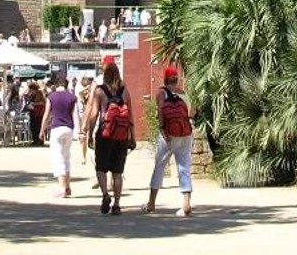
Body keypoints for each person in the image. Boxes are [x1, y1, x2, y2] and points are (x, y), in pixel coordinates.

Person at [83, 58, 135, 215]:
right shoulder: (124, 92)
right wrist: (132, 136)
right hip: (121, 136)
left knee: (101, 168)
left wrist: (90, 133)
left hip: (105, 134)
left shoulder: (100, 91)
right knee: (118, 172)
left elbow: (94, 114)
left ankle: (105, 194)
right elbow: (130, 116)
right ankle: (117, 204)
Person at [143, 65, 194, 217]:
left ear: (165, 79)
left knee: (159, 166)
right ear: (177, 80)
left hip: (169, 135)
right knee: (184, 167)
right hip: (185, 133)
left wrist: (162, 129)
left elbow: (160, 112)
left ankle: (151, 203)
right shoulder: (184, 94)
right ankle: (186, 203)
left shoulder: (161, 93)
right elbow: (192, 112)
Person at [42, 72, 79, 197]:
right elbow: (74, 114)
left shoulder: (51, 97)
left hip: (56, 127)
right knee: (66, 157)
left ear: (56, 84)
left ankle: (62, 188)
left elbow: (47, 114)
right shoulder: (72, 97)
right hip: (69, 128)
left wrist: (42, 130)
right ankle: (68, 186)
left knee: (58, 158)